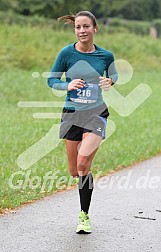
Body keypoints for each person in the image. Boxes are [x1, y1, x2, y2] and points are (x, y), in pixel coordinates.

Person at [48, 11, 118, 234]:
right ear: (74, 29)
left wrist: (110, 81)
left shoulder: (105, 56)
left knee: (83, 162)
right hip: (71, 114)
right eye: (78, 27)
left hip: (96, 113)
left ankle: (84, 215)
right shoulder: (66, 53)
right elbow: (51, 79)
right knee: (74, 171)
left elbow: (113, 75)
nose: (82, 31)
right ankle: (83, 184)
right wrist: (66, 86)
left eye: (86, 26)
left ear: (95, 28)